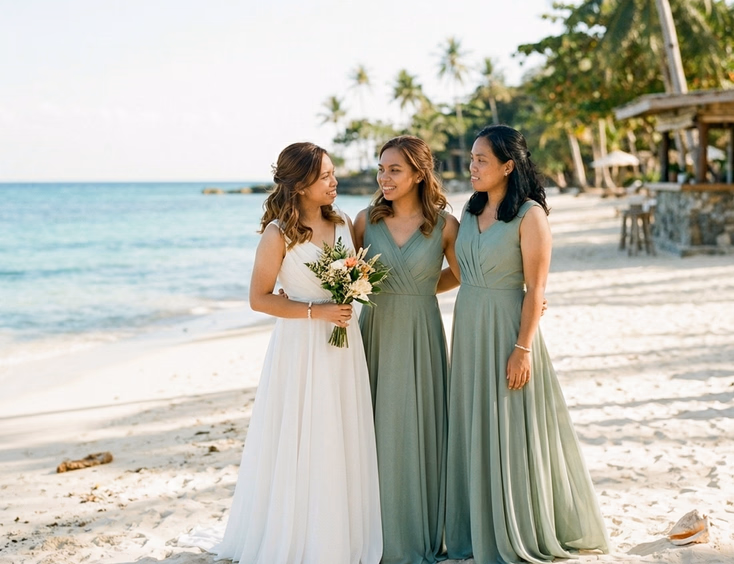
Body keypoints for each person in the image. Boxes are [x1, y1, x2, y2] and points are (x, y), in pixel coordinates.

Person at [444, 125, 610, 563]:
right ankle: (478, 525)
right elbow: (459, 272)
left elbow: (536, 289)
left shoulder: (530, 215)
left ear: (508, 166)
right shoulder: (469, 208)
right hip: (468, 326)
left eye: (482, 159)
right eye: (472, 158)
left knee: (511, 426)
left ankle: (518, 525)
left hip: (507, 330)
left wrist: (522, 349)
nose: (473, 166)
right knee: (473, 422)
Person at [214, 142, 382, 563]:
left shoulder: (343, 221)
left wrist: (350, 295)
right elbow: (259, 298)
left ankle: (342, 534)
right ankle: (301, 535)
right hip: (300, 345)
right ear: (302, 183)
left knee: (340, 432)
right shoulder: (278, 234)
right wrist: (315, 311)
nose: (334, 181)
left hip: (344, 344)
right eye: (325, 175)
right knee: (303, 434)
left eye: (332, 173)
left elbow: (359, 269)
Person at [354, 135, 460, 564]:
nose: (385, 177)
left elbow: (461, 273)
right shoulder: (364, 221)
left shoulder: (444, 224)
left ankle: (418, 528)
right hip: (375, 330)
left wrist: (419, 289)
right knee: (373, 429)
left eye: (394, 169)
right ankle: (370, 530)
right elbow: (339, 267)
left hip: (421, 331)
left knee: (420, 428)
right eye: (381, 169)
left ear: (419, 173)